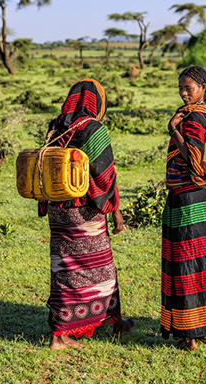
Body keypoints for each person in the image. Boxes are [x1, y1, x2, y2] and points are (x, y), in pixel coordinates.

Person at [38, 78, 133, 350]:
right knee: (101, 269)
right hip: (85, 212)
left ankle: (111, 323)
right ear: (97, 103)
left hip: (58, 209)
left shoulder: (55, 126)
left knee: (65, 268)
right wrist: (116, 214)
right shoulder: (94, 129)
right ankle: (62, 335)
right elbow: (106, 176)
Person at [161, 66, 206, 350]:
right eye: (181, 88)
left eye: (188, 88)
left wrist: (172, 129)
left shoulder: (191, 119)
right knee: (205, 263)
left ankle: (190, 334)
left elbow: (194, 160)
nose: (183, 93)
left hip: (188, 198)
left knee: (186, 263)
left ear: (203, 87)